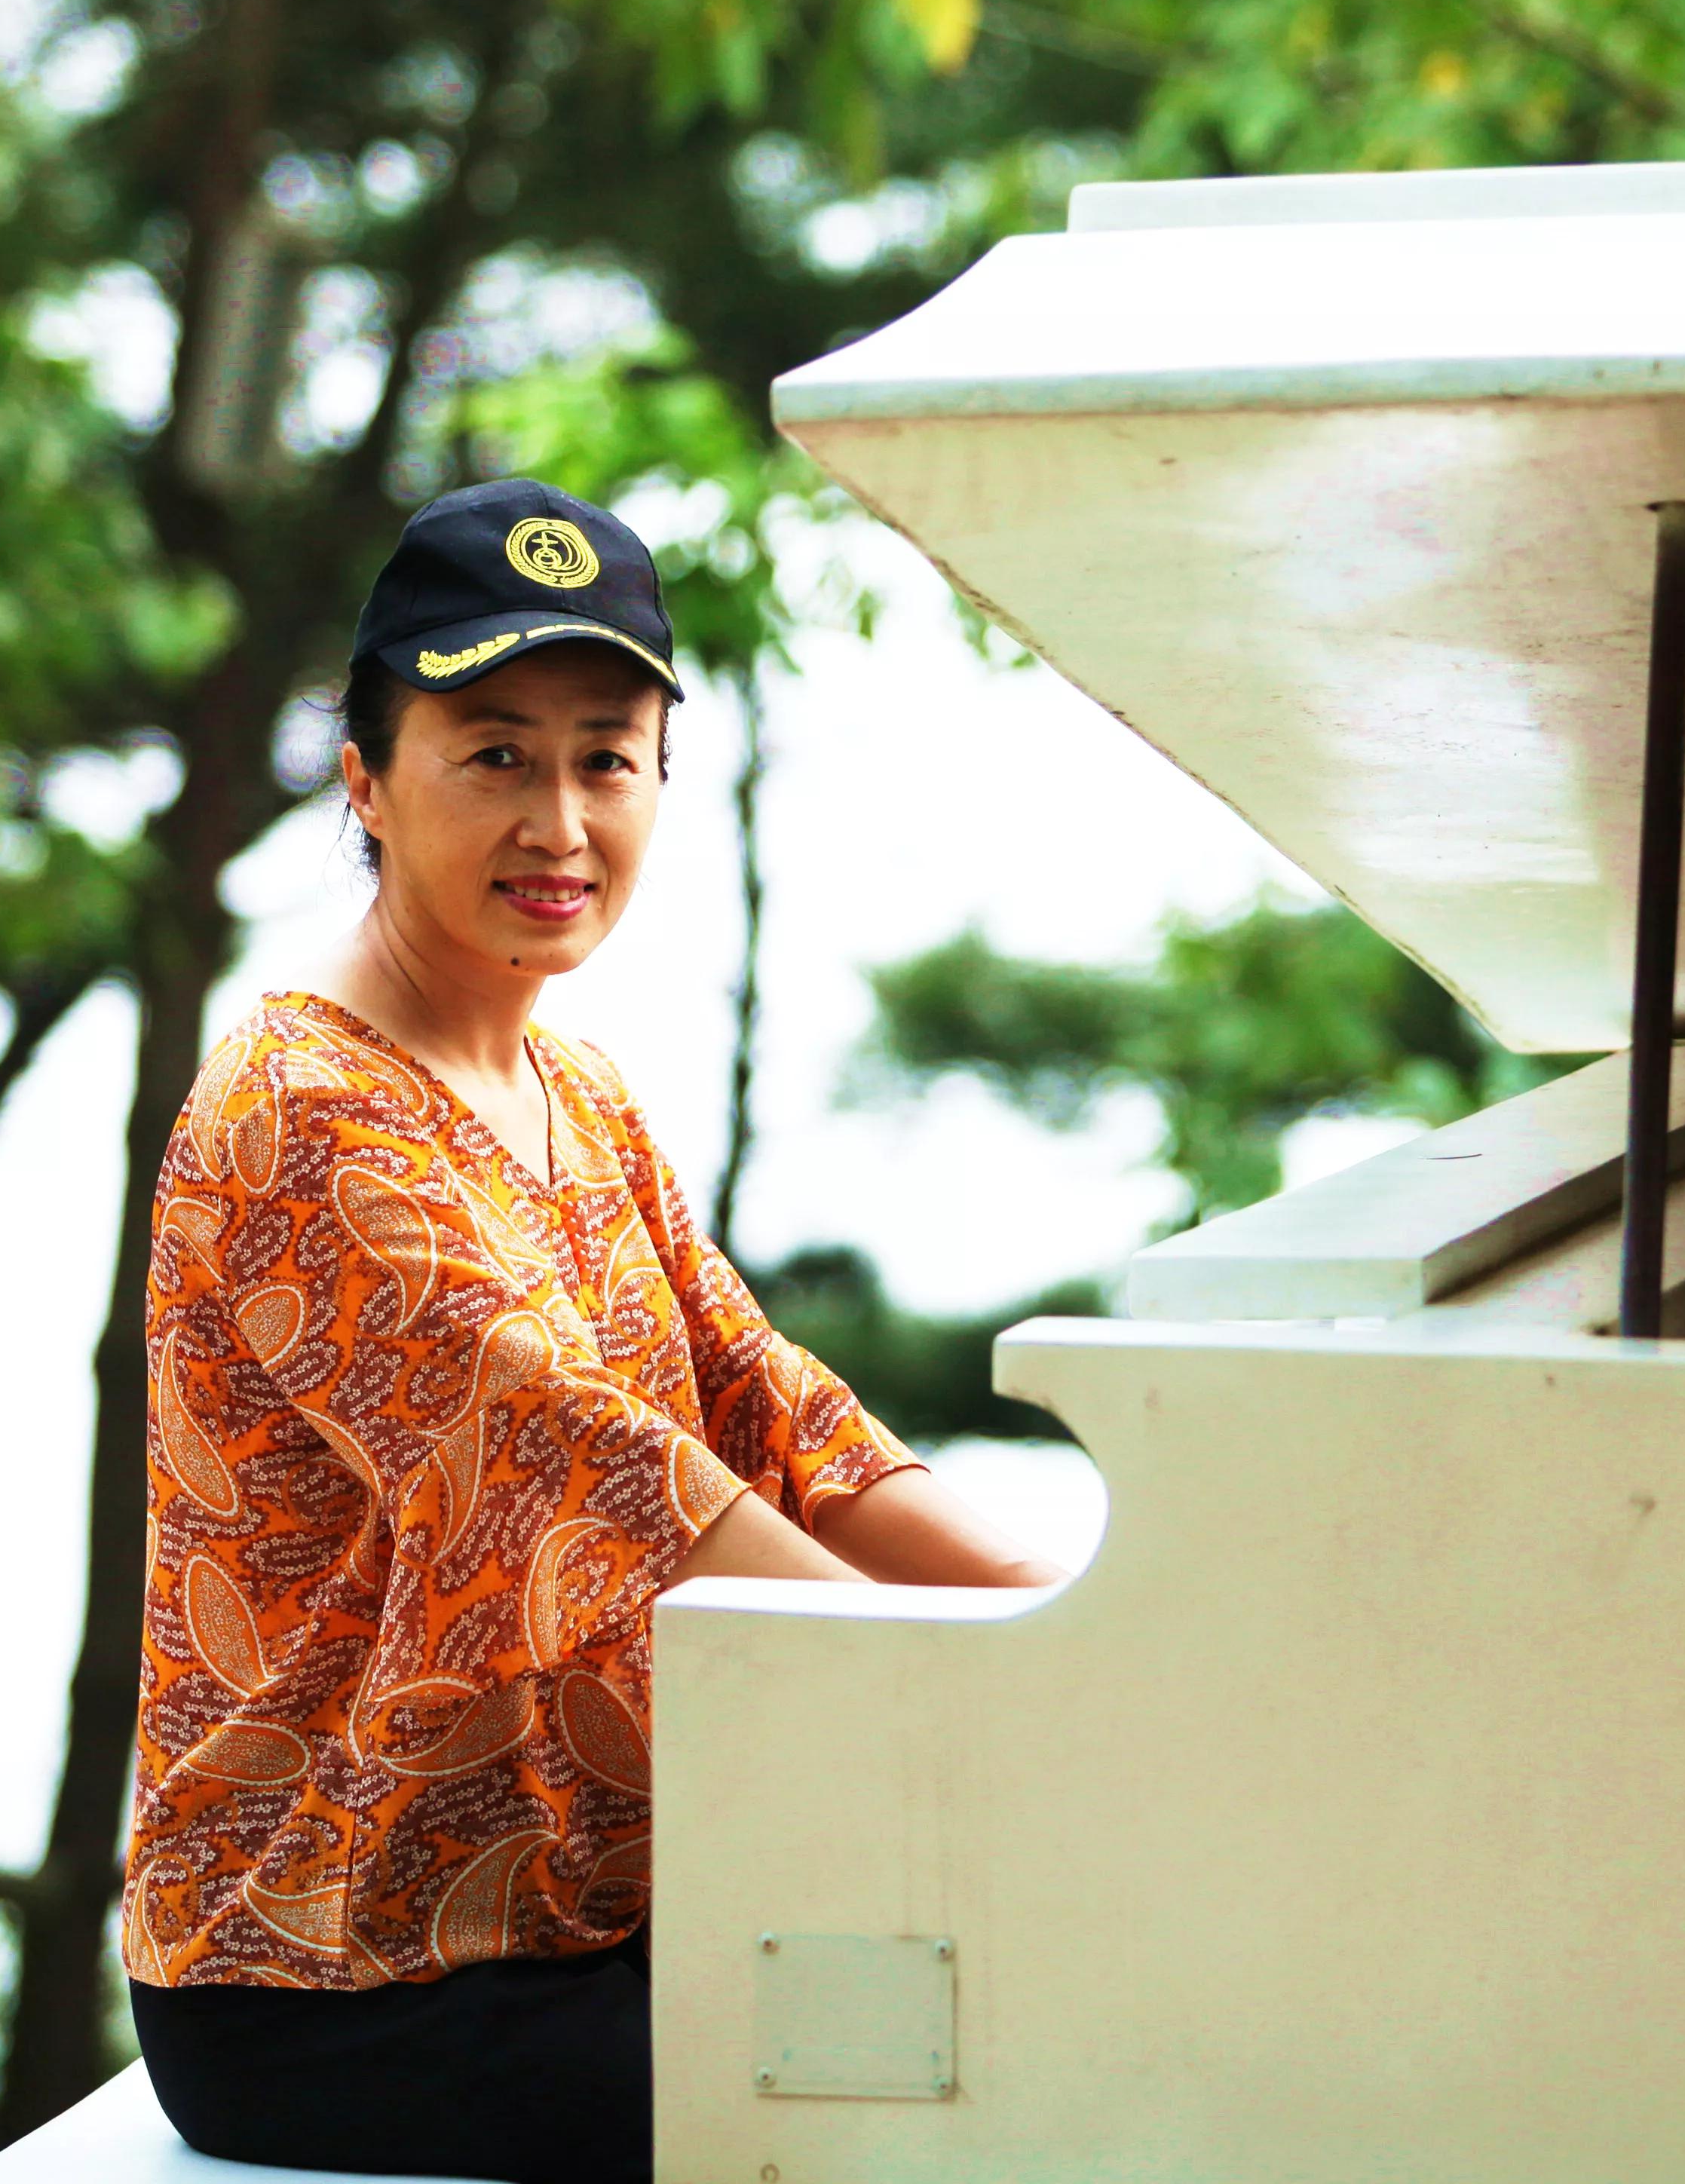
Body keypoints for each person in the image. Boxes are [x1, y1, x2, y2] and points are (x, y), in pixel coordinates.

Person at [118, 478, 1055, 2184]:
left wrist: (1065, 1632)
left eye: (605, 758)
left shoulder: (578, 1091)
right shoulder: (307, 1114)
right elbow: (606, 1490)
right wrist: (978, 1708)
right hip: (336, 1979)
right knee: (986, 2085)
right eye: (495, 754)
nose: (560, 818)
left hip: (575, 1924)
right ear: (367, 782)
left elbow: (769, 1415)